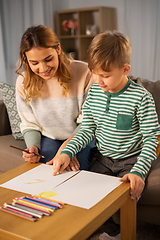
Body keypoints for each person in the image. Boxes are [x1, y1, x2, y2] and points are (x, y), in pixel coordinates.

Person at [51, 30, 160, 240]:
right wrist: (66, 150)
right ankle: (106, 231)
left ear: (125, 69)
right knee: (87, 197)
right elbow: (86, 129)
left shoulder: (141, 97)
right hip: (103, 158)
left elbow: (150, 140)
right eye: (94, 73)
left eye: (106, 75)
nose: (98, 81)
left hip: (132, 160)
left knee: (124, 201)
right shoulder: (94, 93)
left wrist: (138, 171)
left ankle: (117, 231)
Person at [15, 24, 95, 171]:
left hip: (83, 134)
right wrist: (32, 147)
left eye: (48, 59)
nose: (43, 68)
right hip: (50, 137)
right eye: (34, 63)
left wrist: (67, 150)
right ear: (26, 60)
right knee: (46, 168)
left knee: (76, 167)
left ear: (58, 49)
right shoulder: (23, 82)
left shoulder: (85, 73)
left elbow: (89, 122)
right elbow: (30, 124)